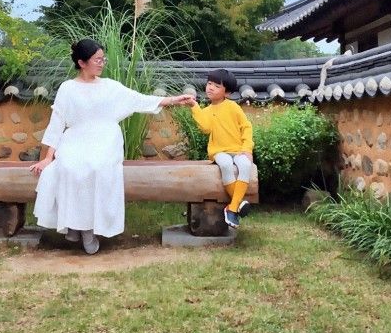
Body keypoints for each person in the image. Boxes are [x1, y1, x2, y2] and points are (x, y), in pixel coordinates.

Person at [30, 38, 194, 254]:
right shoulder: (67, 88)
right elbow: (57, 122)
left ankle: (87, 230)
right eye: (97, 60)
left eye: (103, 59)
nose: (101, 63)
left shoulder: (110, 87)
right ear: (82, 63)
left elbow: (140, 100)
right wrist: (48, 157)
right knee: (68, 167)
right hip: (76, 137)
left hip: (105, 138)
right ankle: (74, 225)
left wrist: (175, 100)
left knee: (96, 167)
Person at [190, 68, 254, 229]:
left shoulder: (233, 107)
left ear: (227, 92)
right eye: (209, 83)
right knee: (225, 164)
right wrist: (194, 106)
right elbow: (204, 128)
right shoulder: (207, 110)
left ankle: (232, 207)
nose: (210, 87)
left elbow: (246, 127)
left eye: (217, 86)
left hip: (238, 149)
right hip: (218, 151)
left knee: (245, 165)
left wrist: (247, 148)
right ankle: (238, 204)